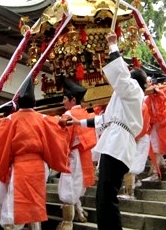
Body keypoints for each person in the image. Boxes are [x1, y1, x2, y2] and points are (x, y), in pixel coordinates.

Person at [70, 31, 146, 230]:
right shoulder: (122, 100)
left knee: (106, 195)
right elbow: (103, 120)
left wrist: (113, 46)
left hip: (118, 144)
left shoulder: (134, 90)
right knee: (103, 195)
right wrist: (79, 124)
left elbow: (121, 77)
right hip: (114, 143)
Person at [0, 78, 71, 230]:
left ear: (18, 102)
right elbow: (58, 130)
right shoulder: (43, 118)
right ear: (34, 102)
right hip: (39, 166)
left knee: (14, 206)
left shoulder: (10, 119)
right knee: (35, 202)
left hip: (20, 166)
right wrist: (61, 123)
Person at [56, 78, 97, 229]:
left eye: (65, 99)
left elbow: (63, 139)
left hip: (72, 156)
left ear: (72, 100)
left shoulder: (68, 115)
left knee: (68, 187)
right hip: (85, 155)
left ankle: (67, 223)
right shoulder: (86, 114)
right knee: (77, 185)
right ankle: (78, 210)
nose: (63, 102)